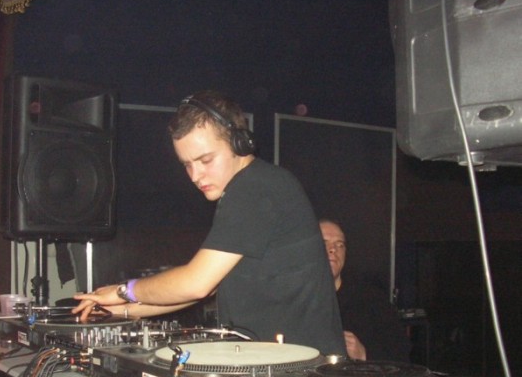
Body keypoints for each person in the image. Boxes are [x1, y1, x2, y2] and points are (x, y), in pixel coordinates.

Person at [73, 90, 345, 356]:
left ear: (239, 143)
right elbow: (203, 288)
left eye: (205, 160)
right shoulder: (252, 188)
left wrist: (124, 291)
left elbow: (196, 283)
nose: (195, 175)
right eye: (187, 164)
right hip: (281, 361)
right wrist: (121, 311)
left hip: (302, 369)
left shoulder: (256, 189)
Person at [319, 219, 412, 362]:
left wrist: (365, 354)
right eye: (324, 243)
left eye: (340, 244)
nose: (333, 249)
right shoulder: (293, 301)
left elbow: (401, 354)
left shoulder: (370, 299)